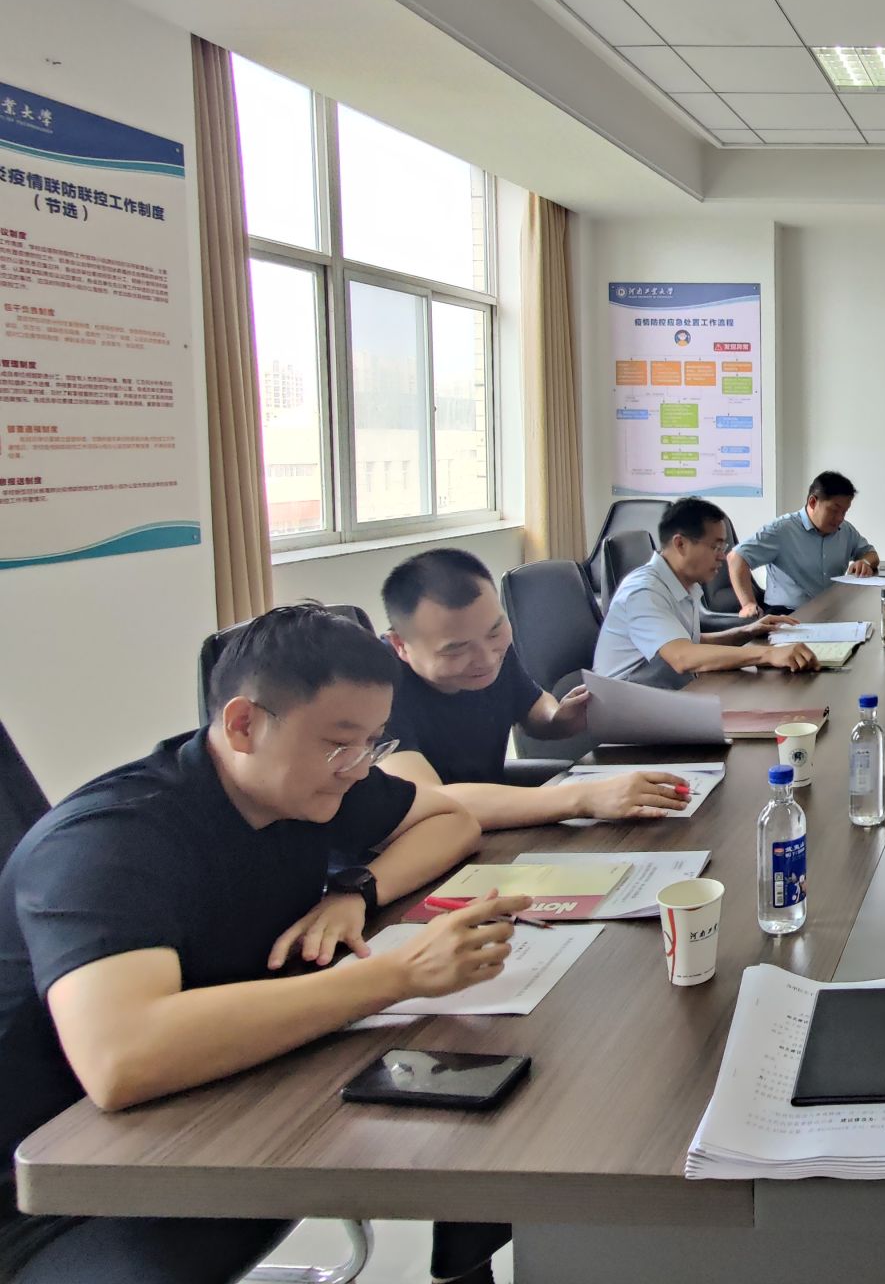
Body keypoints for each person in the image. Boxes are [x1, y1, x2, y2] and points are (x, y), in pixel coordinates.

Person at [0, 605, 520, 1284]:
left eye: (372, 742)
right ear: (243, 725)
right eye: (341, 743)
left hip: (216, 1100)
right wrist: (396, 976)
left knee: (483, 1104)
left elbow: (449, 819)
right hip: (63, 1187)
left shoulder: (303, 784)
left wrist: (356, 892)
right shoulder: (108, 843)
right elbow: (121, 1057)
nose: (358, 768)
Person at [377, 548, 698, 829]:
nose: (486, 658)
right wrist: (582, 798)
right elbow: (427, 801)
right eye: (456, 650)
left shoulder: (492, 652)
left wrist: (560, 717)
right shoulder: (376, 686)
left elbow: (534, 712)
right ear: (401, 644)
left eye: (495, 631)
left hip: (491, 822)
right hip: (431, 842)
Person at [599, 496, 819, 687]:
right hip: (625, 707)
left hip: (665, 694)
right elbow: (683, 656)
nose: (722, 556)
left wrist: (748, 631)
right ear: (680, 544)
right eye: (716, 547)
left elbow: (690, 643)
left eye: (723, 548)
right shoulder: (643, 591)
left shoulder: (684, 584)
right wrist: (768, 654)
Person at [726, 471, 879, 614]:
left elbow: (871, 554)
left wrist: (864, 562)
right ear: (812, 502)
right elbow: (736, 557)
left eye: (844, 512)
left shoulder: (845, 530)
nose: (840, 518)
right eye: (834, 510)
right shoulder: (781, 530)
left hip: (831, 612)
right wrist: (748, 604)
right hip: (788, 614)